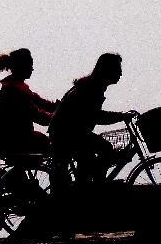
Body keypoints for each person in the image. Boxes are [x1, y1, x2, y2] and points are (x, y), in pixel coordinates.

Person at [49, 53, 131, 189]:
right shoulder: (93, 88)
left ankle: (91, 185)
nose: (121, 73)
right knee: (102, 149)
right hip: (67, 133)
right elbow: (96, 116)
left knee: (92, 155)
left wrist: (119, 116)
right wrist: (121, 116)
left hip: (68, 131)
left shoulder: (92, 85)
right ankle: (93, 187)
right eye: (118, 69)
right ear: (109, 70)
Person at [0, 48, 57, 158]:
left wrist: (60, 106)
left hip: (14, 138)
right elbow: (37, 115)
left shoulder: (15, 87)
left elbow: (41, 102)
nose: (32, 69)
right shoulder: (15, 90)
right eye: (30, 65)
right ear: (22, 67)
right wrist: (58, 118)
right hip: (18, 139)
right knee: (54, 146)